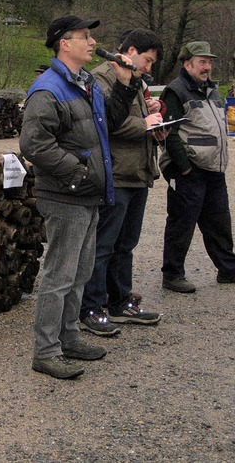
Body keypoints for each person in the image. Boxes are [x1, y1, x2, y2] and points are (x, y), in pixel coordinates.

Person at [19, 15, 140, 379]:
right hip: (66, 195)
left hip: (87, 195)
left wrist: (124, 86)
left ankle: (69, 337)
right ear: (64, 44)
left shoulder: (84, 83)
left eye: (91, 36)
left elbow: (110, 123)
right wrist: (80, 174)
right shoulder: (48, 88)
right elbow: (34, 144)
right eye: (84, 36)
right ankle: (46, 351)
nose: (92, 42)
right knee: (59, 275)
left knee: (81, 272)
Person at [79, 29, 166, 337]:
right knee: (103, 245)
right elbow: (104, 122)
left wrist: (153, 116)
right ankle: (91, 306)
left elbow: (132, 118)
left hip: (138, 173)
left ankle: (119, 301)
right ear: (131, 50)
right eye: (148, 60)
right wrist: (143, 123)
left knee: (126, 244)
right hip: (116, 174)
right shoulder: (104, 76)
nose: (149, 68)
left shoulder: (136, 79)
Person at [158, 41, 235, 292]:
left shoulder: (211, 89)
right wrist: (184, 167)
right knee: (182, 222)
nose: (208, 67)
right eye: (202, 62)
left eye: (209, 62)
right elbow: (169, 133)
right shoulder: (176, 90)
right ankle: (172, 274)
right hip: (190, 169)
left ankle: (227, 269)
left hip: (213, 168)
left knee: (219, 221)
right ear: (187, 64)